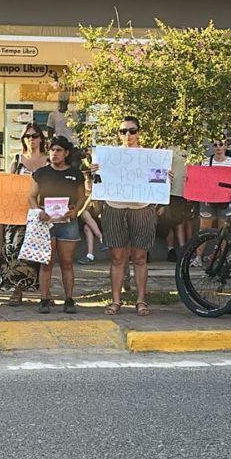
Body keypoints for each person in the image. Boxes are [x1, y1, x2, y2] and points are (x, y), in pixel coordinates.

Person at [89, 116, 158, 317]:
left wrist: (164, 177)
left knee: (140, 257)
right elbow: (98, 182)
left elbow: (156, 179)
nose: (128, 134)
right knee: (117, 257)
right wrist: (94, 172)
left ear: (139, 132)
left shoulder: (148, 156)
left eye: (132, 130)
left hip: (141, 208)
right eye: (123, 131)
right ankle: (116, 301)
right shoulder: (109, 156)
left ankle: (141, 300)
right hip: (114, 207)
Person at [30, 136, 87, 313]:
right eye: (52, 150)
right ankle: (44, 299)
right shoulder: (41, 173)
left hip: (67, 222)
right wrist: (38, 212)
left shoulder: (76, 174)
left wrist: (75, 211)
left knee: (67, 262)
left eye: (59, 150)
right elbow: (31, 196)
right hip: (46, 223)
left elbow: (82, 197)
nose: (55, 153)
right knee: (46, 262)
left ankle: (69, 299)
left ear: (66, 153)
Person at [0, 122, 46, 305]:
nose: (32, 139)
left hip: (41, 212)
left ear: (41, 138)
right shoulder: (16, 160)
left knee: (39, 252)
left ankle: (44, 291)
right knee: (15, 250)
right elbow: (8, 185)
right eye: (28, 136)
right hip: (17, 213)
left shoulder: (48, 160)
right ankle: (17, 289)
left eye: (35, 135)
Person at [197, 138, 231, 232]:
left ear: (225, 146)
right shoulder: (206, 162)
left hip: (225, 199)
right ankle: (199, 247)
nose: (218, 147)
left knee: (224, 229)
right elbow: (202, 180)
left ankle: (222, 247)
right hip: (208, 198)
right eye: (215, 145)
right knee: (204, 228)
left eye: (221, 144)